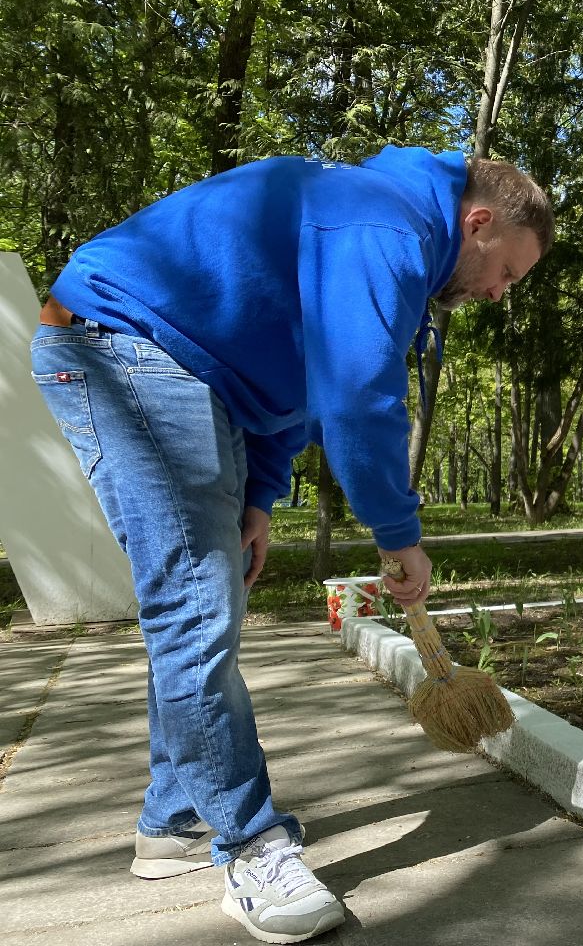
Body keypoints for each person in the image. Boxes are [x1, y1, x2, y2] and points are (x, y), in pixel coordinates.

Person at [31, 146, 553, 943]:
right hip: (126, 347)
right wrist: (399, 534)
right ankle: (249, 849)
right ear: (478, 223)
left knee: (211, 604)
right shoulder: (388, 228)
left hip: (197, 373)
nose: (496, 292)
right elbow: (354, 395)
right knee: (195, 610)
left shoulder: (384, 235)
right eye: (507, 272)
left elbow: (296, 385)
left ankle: (170, 824)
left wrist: (258, 496)